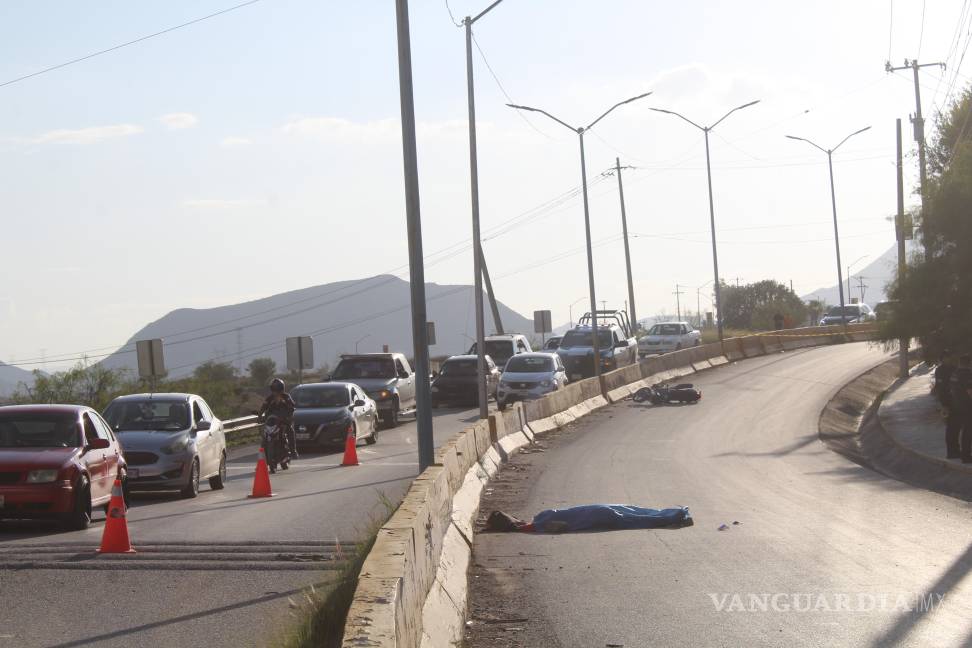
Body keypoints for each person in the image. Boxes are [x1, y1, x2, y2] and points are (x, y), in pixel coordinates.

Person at [260, 378, 298, 460]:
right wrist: (260, 415)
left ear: (282, 388)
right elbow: (263, 407)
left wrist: (290, 414)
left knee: (290, 430)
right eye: (274, 388)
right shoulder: (269, 398)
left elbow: (292, 406)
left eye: (278, 388)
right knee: (264, 437)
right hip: (271, 420)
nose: (276, 391)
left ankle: (293, 451)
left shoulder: (286, 397)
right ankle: (263, 457)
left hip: (283, 420)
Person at [934, 351, 959, 458]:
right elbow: (940, 388)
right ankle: (951, 452)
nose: (948, 359)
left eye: (949, 357)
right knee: (950, 427)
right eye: (945, 358)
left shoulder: (954, 368)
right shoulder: (939, 370)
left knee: (956, 427)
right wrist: (943, 404)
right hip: (947, 402)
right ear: (942, 359)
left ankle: (956, 449)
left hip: (956, 401)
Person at [949, 355, 972, 463]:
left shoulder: (955, 374)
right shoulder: (968, 374)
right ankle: (966, 456)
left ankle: (955, 452)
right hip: (967, 406)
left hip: (956, 405)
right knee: (968, 431)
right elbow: (970, 391)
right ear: (969, 363)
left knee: (959, 430)